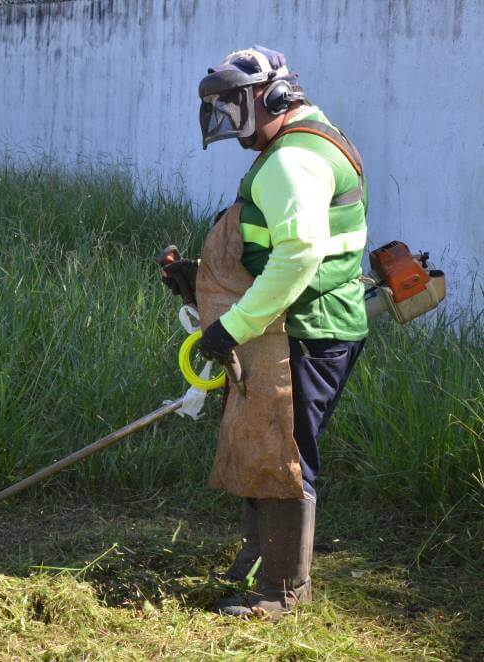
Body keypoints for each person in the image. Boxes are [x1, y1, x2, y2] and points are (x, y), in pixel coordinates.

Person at [163, 46, 367, 619]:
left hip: (304, 330)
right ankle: (260, 563)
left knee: (285, 454)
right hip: (293, 324)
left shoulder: (290, 161)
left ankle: (282, 592)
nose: (231, 125)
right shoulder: (307, 140)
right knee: (267, 441)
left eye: (235, 108)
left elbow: (299, 257)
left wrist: (231, 327)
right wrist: (198, 279)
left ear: (273, 98)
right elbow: (274, 247)